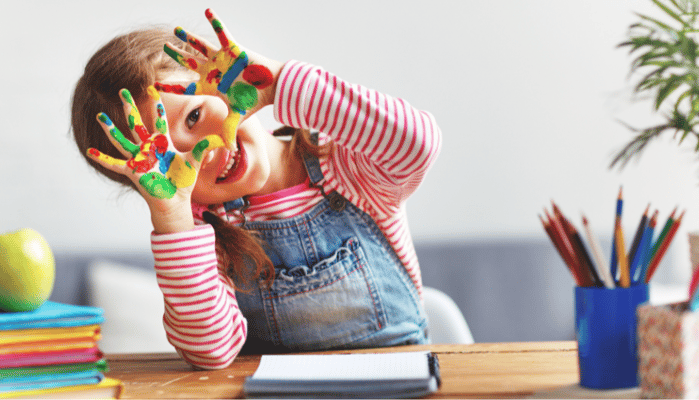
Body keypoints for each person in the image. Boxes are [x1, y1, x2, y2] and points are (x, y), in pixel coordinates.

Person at [71, 9, 442, 370]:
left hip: (401, 380)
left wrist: (276, 82)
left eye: (194, 116)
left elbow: (416, 144)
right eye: (166, 161)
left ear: (226, 83)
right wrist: (173, 217)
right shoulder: (203, 233)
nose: (203, 152)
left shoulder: (346, 166)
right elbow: (211, 352)